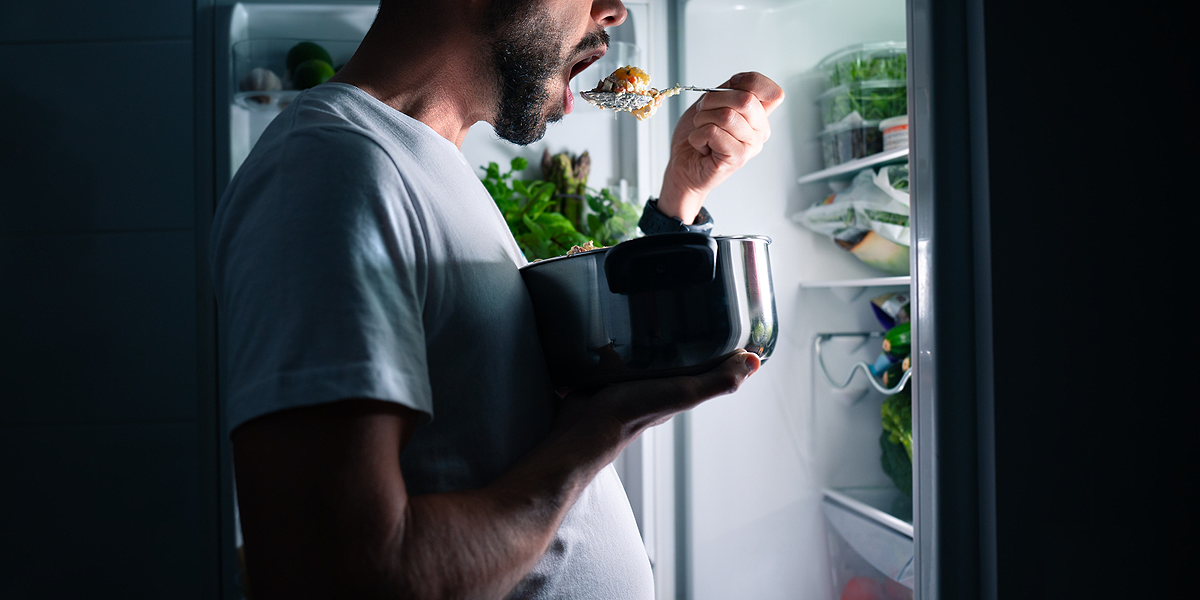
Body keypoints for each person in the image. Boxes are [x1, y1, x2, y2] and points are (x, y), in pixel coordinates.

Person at [210, 0, 784, 598]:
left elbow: (498, 405)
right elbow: (341, 576)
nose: (614, 11)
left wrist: (680, 198)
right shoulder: (327, 170)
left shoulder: (424, 159)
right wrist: (597, 435)